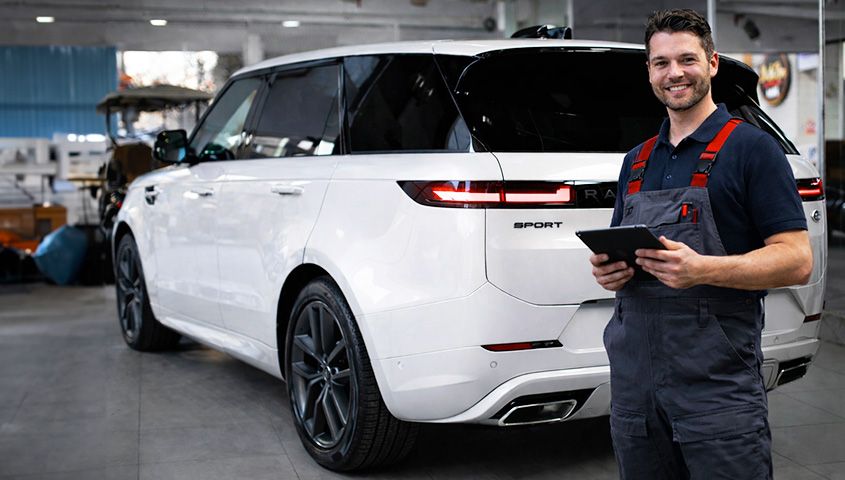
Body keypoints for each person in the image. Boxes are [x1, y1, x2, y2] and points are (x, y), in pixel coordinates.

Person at [590, 9, 813, 480]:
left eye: (687, 59)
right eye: (661, 63)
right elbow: (620, 250)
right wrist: (611, 273)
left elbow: (797, 259)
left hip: (716, 387)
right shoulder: (636, 161)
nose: (674, 73)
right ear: (649, 71)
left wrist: (702, 269)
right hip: (635, 386)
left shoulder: (752, 150)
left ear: (712, 63)